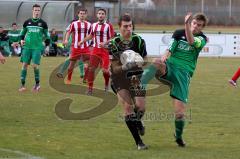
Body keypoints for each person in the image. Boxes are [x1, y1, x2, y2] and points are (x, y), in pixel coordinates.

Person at [141, 12, 208, 147]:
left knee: (179, 114)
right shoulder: (178, 33)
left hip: (183, 75)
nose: (195, 27)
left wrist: (186, 24)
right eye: (194, 23)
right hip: (170, 68)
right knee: (156, 62)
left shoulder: (202, 39)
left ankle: (178, 136)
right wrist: (165, 56)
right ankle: (139, 85)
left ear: (202, 28)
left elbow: (191, 41)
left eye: (198, 25)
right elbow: (169, 49)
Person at [108, 13, 148, 150]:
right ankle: (139, 142)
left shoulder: (139, 40)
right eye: (125, 26)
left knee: (141, 107)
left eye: (130, 26)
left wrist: (139, 62)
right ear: (119, 27)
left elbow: (145, 60)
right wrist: (126, 65)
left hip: (136, 78)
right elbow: (114, 68)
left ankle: (138, 121)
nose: (128, 29)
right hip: (119, 80)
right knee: (128, 108)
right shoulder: (113, 43)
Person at [79, 8, 115, 95]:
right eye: (99, 13)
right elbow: (91, 35)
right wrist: (82, 41)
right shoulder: (94, 25)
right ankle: (90, 89)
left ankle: (107, 85)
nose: (101, 15)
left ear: (105, 15)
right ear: (97, 15)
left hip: (105, 50)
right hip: (95, 50)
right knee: (91, 69)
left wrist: (105, 43)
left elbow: (113, 37)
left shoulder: (108, 25)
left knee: (105, 71)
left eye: (102, 13)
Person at [19, 4, 50, 92]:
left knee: (35, 66)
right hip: (27, 47)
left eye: (38, 10)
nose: (37, 12)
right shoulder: (27, 22)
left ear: (40, 11)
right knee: (24, 65)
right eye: (35, 10)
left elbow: (47, 35)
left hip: (37, 48)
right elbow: (22, 33)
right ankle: (22, 85)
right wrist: (21, 40)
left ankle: (37, 84)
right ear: (32, 11)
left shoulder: (43, 23)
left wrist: (46, 44)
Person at [63, 8, 91, 84]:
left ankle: (85, 79)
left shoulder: (89, 25)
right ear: (78, 14)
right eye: (81, 13)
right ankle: (69, 79)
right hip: (75, 47)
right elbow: (69, 32)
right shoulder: (74, 24)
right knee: (72, 64)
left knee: (87, 64)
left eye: (84, 13)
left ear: (86, 15)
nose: (82, 15)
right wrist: (66, 39)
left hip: (85, 47)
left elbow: (91, 35)